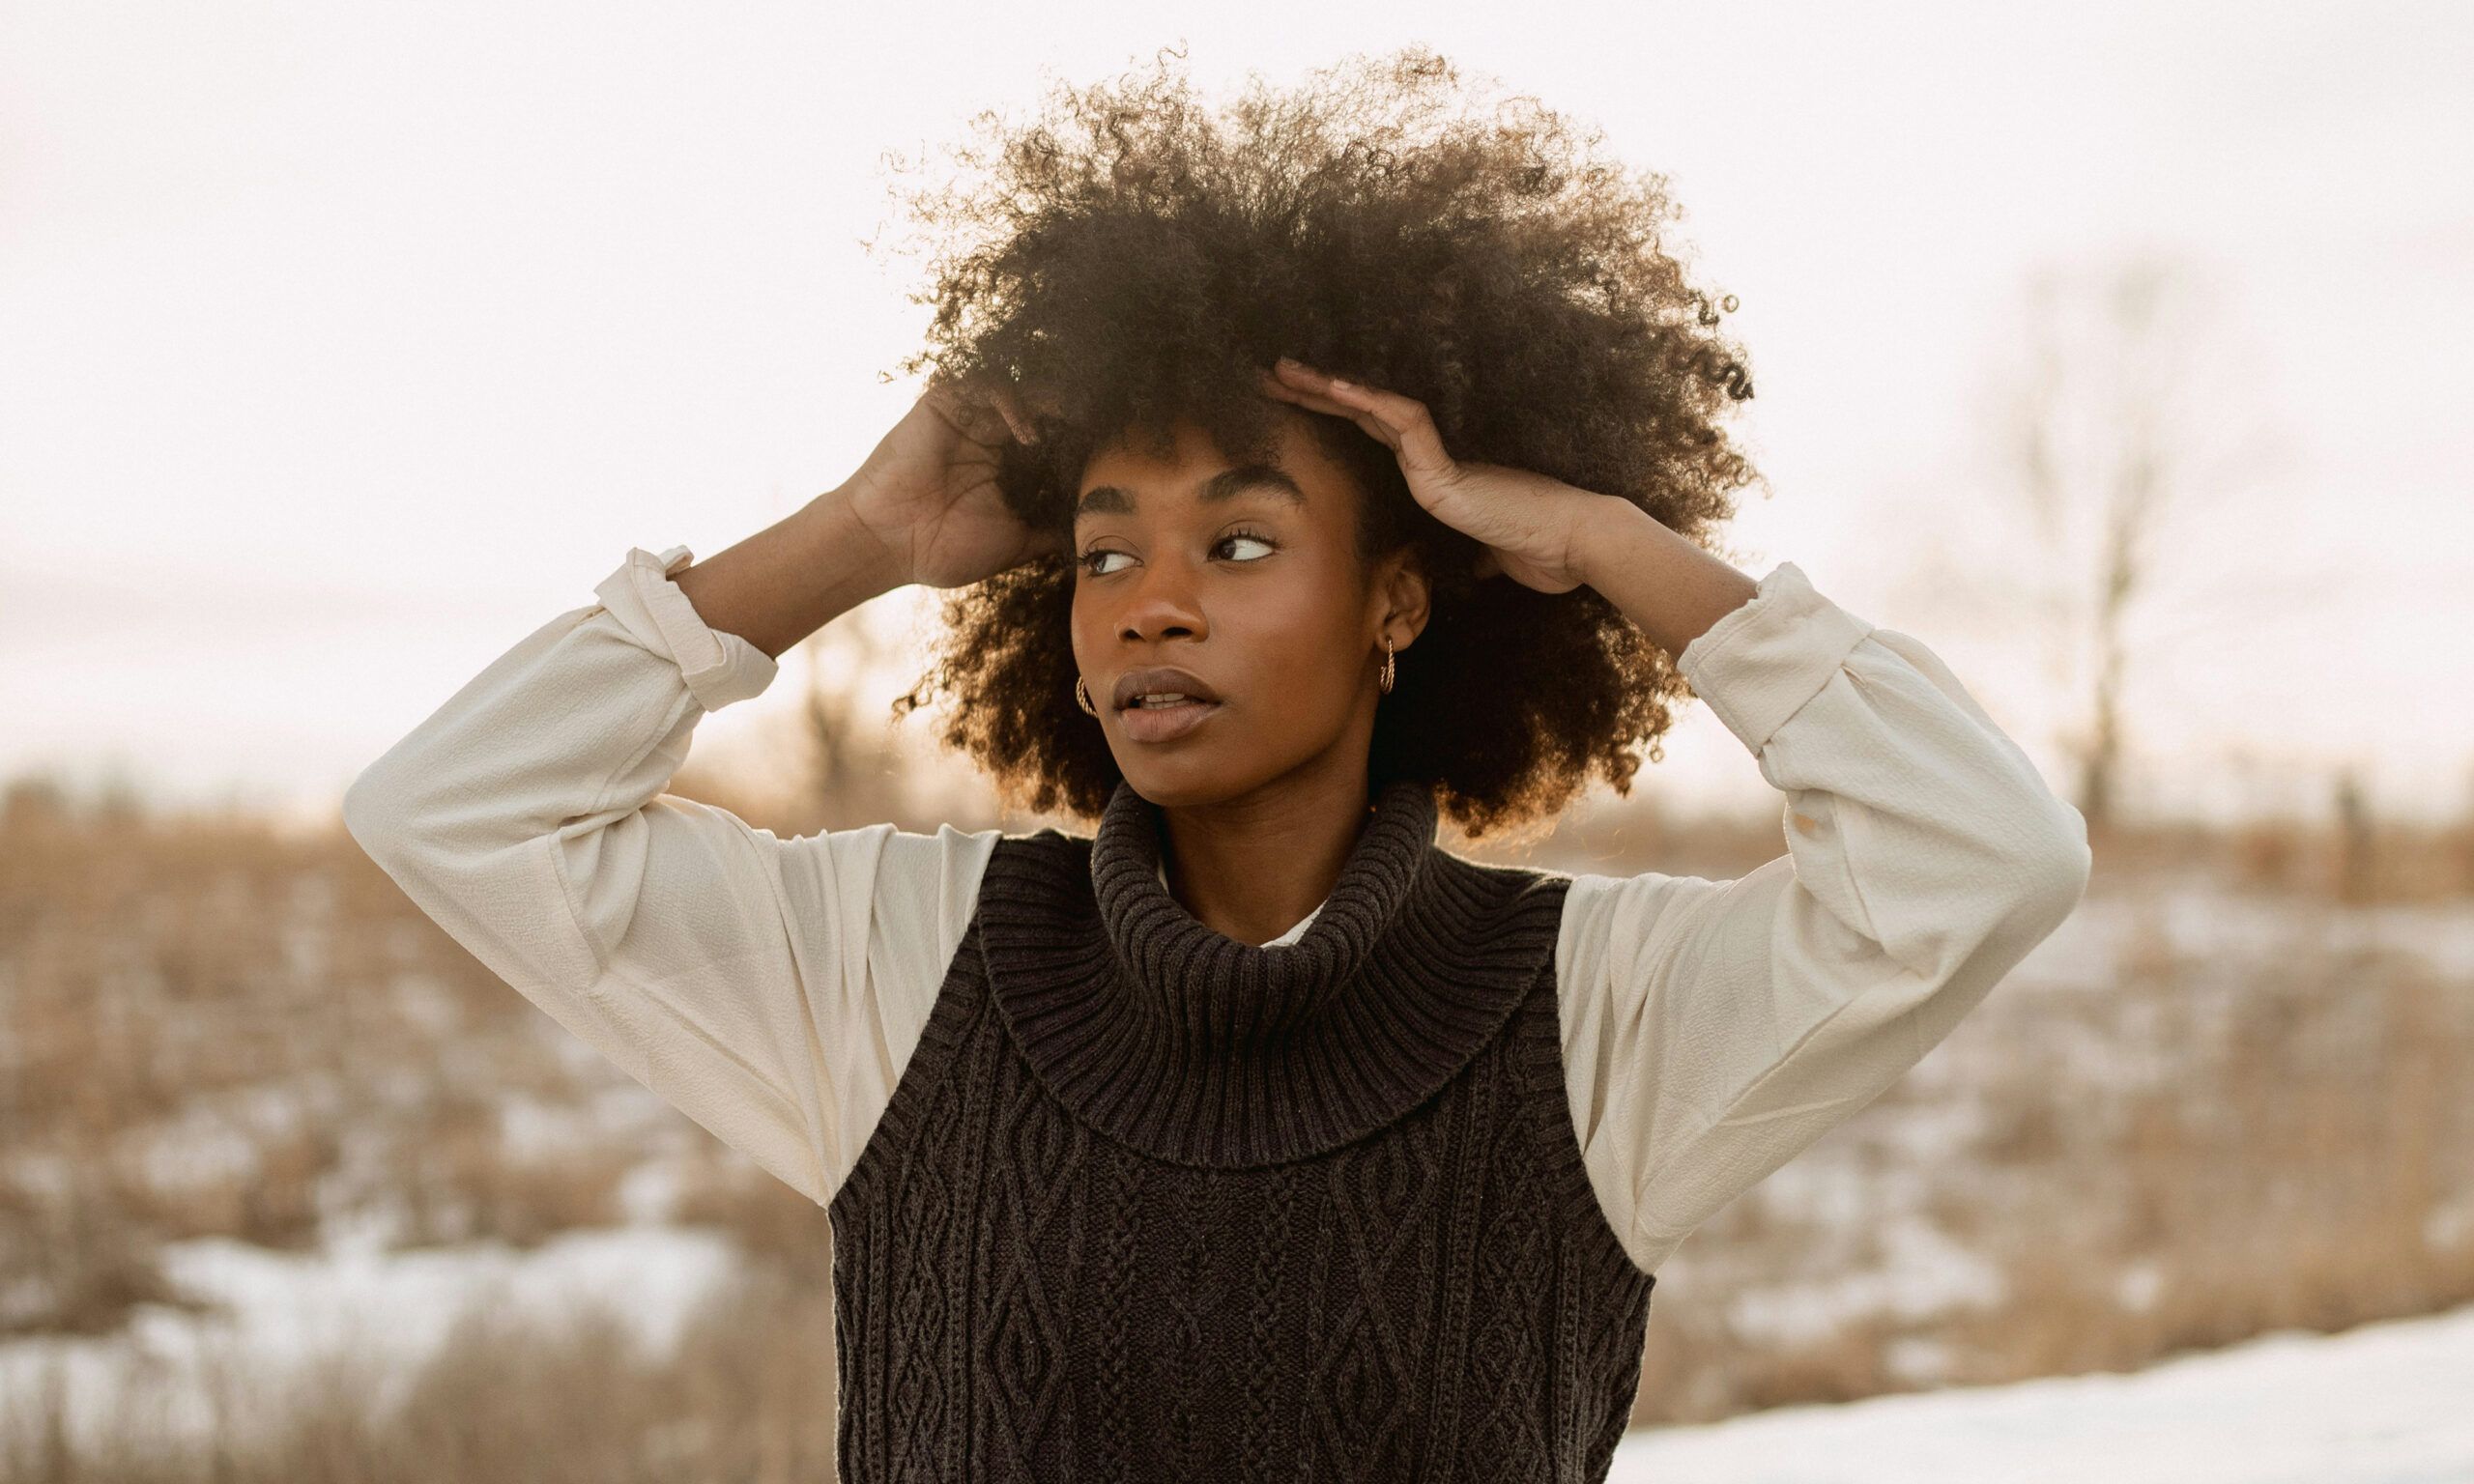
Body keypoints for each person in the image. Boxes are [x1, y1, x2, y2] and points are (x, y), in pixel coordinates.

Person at [343, 45, 2092, 1483]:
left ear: (1398, 600)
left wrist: (1615, 545)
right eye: (1107, 551)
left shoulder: (1591, 1020)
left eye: (1241, 546)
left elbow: (1981, 860)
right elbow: (455, 812)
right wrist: (858, 536)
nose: (1152, 607)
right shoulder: (899, 972)